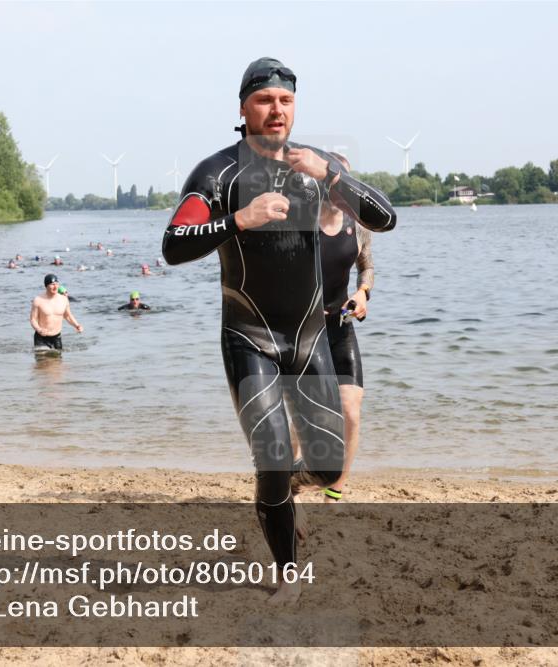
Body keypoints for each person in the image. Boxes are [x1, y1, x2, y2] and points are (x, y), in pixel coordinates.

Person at [162, 57, 395, 604]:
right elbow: (173, 246)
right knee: (270, 457)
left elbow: (384, 219)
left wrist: (331, 175)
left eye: (286, 101)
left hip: (312, 337)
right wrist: (240, 218)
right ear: (242, 108)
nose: (276, 110)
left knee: (328, 465)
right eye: (265, 100)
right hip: (248, 336)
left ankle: (285, 498)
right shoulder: (217, 174)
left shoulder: (319, 165)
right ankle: (288, 571)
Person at [314, 153, 373, 503]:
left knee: (350, 408)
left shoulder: (357, 224)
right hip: (304, 332)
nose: (340, 187)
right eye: (334, 178)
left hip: (340, 326)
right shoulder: (300, 222)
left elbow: (367, 267)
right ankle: (280, 484)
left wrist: (363, 293)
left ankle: (336, 486)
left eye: (345, 180)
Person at [29, 274, 83, 351]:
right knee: (43, 362)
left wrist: (77, 325)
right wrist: (38, 329)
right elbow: (33, 319)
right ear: (46, 286)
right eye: (52, 284)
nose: (55, 287)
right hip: (41, 337)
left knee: (57, 362)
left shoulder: (64, 299)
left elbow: (68, 316)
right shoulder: (38, 300)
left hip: (56, 337)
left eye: (57, 284)